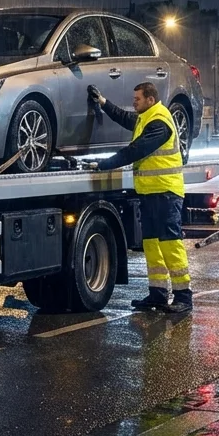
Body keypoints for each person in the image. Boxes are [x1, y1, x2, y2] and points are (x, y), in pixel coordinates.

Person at [84, 82, 191, 313]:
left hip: (165, 193)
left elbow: (135, 150)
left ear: (150, 100)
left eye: (138, 99)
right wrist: (102, 102)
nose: (134, 103)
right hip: (150, 193)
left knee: (170, 244)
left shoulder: (159, 122)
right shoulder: (146, 118)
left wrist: (104, 165)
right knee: (152, 244)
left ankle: (184, 297)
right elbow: (123, 117)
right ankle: (158, 294)